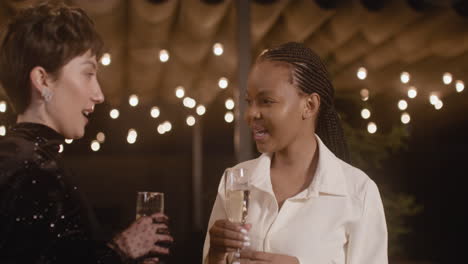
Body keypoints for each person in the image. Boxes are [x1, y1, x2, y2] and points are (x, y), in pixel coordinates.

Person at [0, 3, 173, 264]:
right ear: (42, 80)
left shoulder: (19, 158)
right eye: (88, 73)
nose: (99, 94)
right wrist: (121, 249)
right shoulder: (35, 171)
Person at [203, 42, 388, 264]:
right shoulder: (235, 180)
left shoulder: (359, 193)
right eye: (249, 102)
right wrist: (215, 254)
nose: (251, 114)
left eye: (266, 101)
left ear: (309, 105)